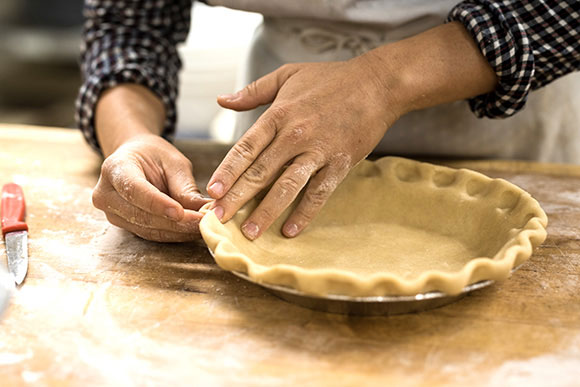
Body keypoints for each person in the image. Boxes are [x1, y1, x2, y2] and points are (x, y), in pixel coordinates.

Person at [76, 0, 580, 243]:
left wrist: (381, 80)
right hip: (281, 123)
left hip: (498, 112)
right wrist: (131, 136)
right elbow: (129, 26)